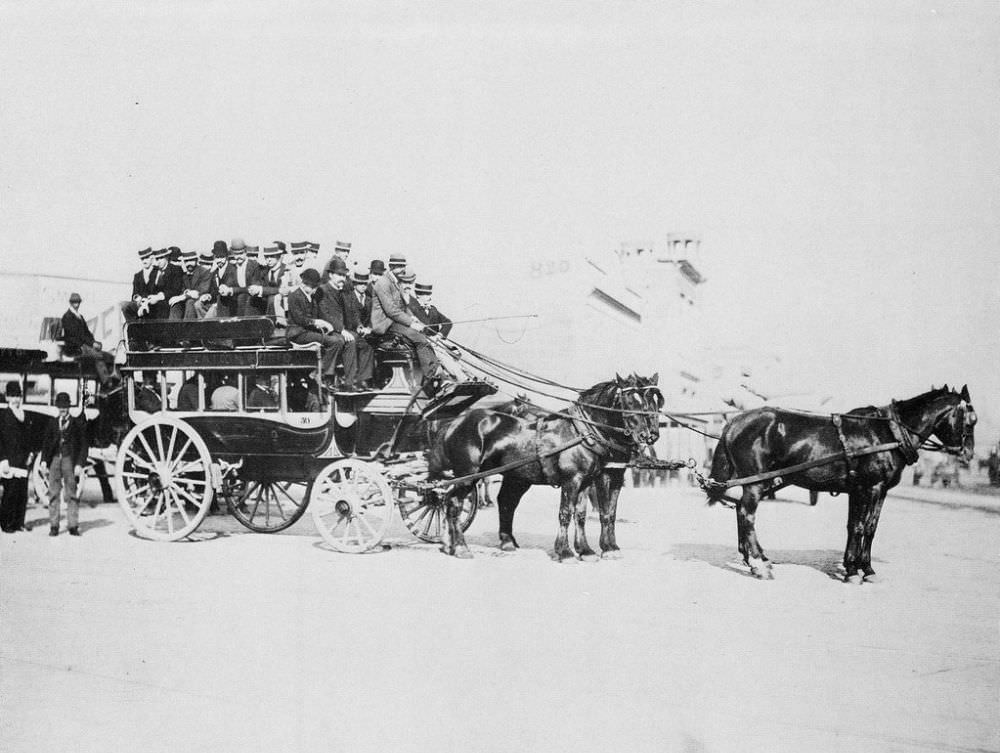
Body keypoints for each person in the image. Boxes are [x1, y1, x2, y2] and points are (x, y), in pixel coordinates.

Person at [371, 256, 441, 384]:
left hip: (393, 322)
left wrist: (413, 318)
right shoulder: (382, 283)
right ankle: (432, 378)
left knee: (422, 337)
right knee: (419, 338)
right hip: (385, 325)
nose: (403, 269)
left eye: (403, 266)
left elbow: (402, 306)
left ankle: (436, 374)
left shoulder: (395, 282)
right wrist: (411, 323)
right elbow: (391, 310)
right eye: (400, 267)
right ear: (392, 267)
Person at [316, 258, 373, 391]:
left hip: (343, 330)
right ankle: (347, 381)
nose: (342, 278)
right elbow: (324, 314)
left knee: (366, 342)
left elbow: (352, 313)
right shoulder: (322, 290)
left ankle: (363, 380)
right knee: (349, 341)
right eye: (339, 275)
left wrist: (359, 326)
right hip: (328, 329)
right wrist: (341, 330)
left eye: (344, 275)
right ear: (330, 275)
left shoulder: (344, 292)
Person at [286, 268, 343, 392]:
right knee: (335, 342)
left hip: (307, 332)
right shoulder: (294, 296)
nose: (316, 289)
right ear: (305, 284)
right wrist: (317, 322)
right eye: (314, 287)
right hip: (298, 334)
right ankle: (320, 374)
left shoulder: (311, 296)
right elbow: (299, 319)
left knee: (338, 339)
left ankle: (320, 372)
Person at [40, 392, 87, 536]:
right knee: (53, 493)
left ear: (69, 407)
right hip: (54, 459)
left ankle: (73, 525)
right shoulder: (52, 423)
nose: (63, 409)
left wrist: (79, 464)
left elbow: (84, 446)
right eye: (60, 406)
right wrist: (43, 460)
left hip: (69, 461)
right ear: (57, 407)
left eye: (65, 406)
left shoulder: (77, 424)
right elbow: (46, 443)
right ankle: (54, 526)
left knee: (71, 493)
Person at [60, 293, 117, 390]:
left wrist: (94, 342)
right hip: (74, 347)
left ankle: (114, 380)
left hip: (84, 346)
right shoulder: (67, 317)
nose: (76, 304)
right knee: (98, 355)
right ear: (70, 303)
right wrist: (91, 344)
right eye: (74, 302)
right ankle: (107, 383)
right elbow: (75, 335)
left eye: (78, 302)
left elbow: (87, 333)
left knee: (109, 356)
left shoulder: (79, 316)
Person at [0, 382, 34, 533]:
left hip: (23, 460)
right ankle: (6, 524)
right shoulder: (3, 415)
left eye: (18, 396)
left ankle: (19, 523)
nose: (15, 399)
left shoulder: (24, 415)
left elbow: (29, 438)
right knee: (10, 493)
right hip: (9, 460)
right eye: (12, 396)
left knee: (22, 493)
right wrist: (3, 459)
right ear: (7, 397)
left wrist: (31, 453)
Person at [218, 238, 261, 317]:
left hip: (251, 299)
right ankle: (222, 324)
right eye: (236, 254)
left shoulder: (254, 266)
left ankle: (243, 325)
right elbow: (229, 283)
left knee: (242, 297)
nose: (238, 257)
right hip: (237, 299)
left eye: (241, 254)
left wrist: (232, 290)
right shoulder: (232, 267)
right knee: (221, 298)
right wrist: (224, 288)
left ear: (245, 252)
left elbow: (252, 288)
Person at [123, 247, 159, 322]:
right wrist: (139, 299)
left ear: (152, 259)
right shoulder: (138, 276)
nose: (144, 261)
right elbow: (134, 294)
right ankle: (134, 328)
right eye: (142, 259)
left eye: (146, 258)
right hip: (140, 303)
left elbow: (161, 289)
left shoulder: (158, 271)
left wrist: (148, 300)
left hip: (154, 303)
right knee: (125, 306)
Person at [179, 250, 217, 319]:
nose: (188, 263)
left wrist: (187, 294)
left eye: (191, 260)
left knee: (191, 302)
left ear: (196, 261)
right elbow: (182, 289)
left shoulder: (204, 271)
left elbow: (202, 291)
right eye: (186, 261)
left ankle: (188, 327)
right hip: (189, 302)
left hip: (205, 302)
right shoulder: (184, 274)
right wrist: (186, 292)